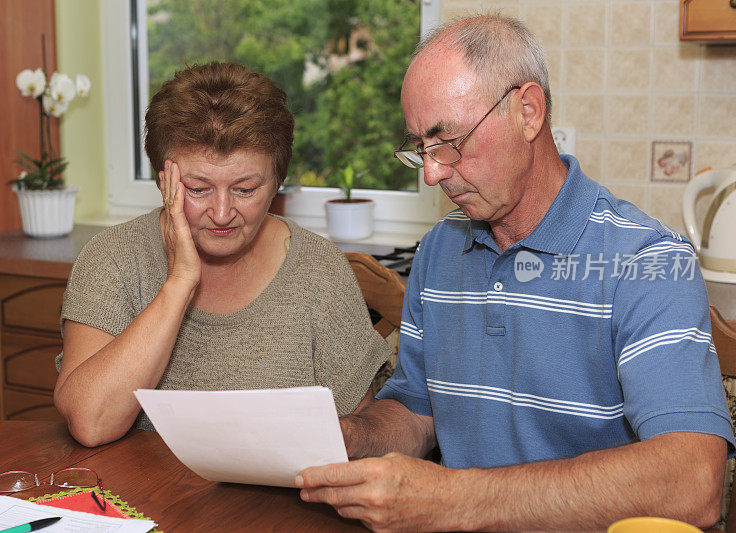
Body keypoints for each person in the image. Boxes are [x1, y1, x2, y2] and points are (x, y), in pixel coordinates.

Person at [295, 15, 735, 531]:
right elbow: (418, 409)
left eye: (449, 141)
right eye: (420, 147)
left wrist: (454, 500)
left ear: (528, 112)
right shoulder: (440, 250)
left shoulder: (647, 260)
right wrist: (348, 438)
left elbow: (692, 482)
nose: (433, 171)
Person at [53, 62, 390, 447]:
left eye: (246, 189)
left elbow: (364, 435)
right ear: (162, 180)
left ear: (277, 181)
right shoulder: (112, 258)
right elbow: (90, 422)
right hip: (143, 500)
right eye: (198, 189)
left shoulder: (319, 269)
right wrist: (179, 283)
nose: (222, 212)